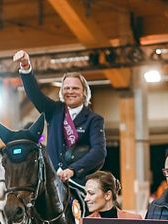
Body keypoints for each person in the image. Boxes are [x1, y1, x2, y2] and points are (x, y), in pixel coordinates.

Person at [12, 50, 106, 185]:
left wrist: (72, 170)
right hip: (51, 178)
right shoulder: (53, 111)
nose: (70, 91)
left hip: (78, 180)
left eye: (75, 88)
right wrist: (25, 66)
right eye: (66, 88)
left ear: (84, 92)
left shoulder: (94, 120)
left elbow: (98, 152)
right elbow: (34, 94)